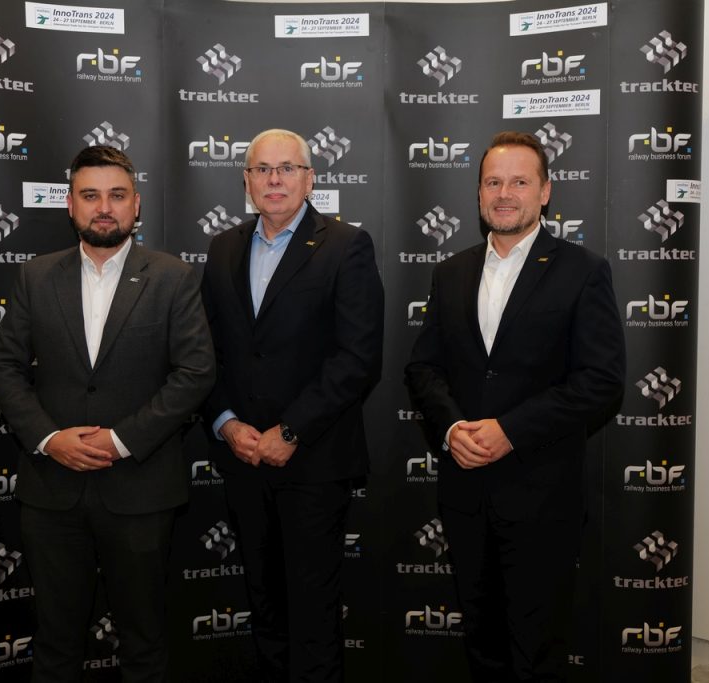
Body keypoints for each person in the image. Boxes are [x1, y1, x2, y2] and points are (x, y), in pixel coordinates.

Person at [0, 145, 215, 682]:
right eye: (90, 196)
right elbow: (5, 368)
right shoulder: (36, 276)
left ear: (137, 204)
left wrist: (119, 441)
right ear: (70, 204)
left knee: (144, 644)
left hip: (140, 490)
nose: (104, 208)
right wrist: (50, 439)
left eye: (117, 195)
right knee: (55, 644)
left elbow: (195, 373)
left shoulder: (173, 277)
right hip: (52, 490)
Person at [404, 131, 625, 682]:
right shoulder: (450, 272)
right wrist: (451, 427)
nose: (505, 194)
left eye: (520, 182)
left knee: (537, 653)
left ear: (545, 192)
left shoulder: (582, 271)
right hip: (466, 495)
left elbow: (601, 380)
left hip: (541, 496)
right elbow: (423, 367)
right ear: (479, 193)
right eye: (493, 182)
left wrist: (512, 430)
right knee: (482, 645)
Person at [199, 128, 384, 682]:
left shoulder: (346, 245)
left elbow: (358, 358)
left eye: (287, 168)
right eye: (262, 169)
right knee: (265, 608)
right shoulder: (223, 248)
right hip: (243, 460)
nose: (274, 179)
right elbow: (205, 351)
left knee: (313, 617)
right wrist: (226, 423)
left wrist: (291, 431)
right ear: (246, 181)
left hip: (313, 463)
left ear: (310, 179)